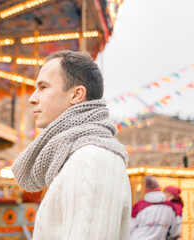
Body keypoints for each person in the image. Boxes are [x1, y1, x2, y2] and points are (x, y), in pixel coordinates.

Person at [11, 50, 131, 239]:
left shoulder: (93, 159)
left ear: (76, 95)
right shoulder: (74, 156)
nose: (32, 98)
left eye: (43, 87)